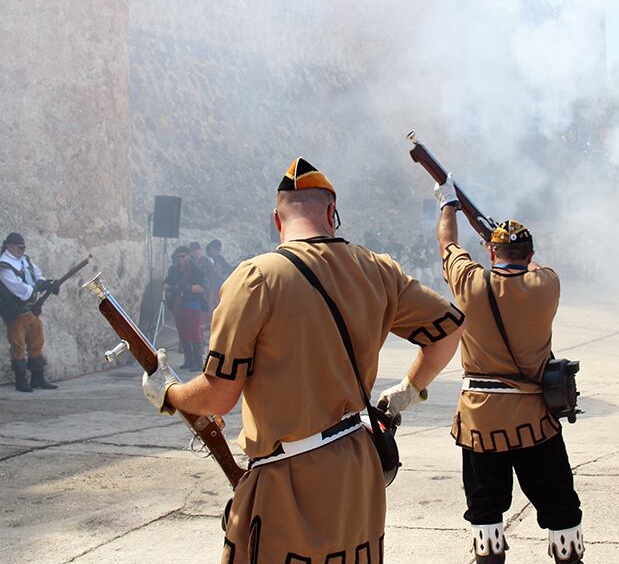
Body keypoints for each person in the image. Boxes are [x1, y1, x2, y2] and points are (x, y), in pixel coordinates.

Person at [142, 157, 464, 563]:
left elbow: (218, 396)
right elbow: (449, 330)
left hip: (289, 477)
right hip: (360, 468)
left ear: (276, 220)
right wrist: (409, 390)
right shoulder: (379, 269)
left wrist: (169, 392)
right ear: (332, 213)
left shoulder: (255, 277)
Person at [434, 174, 583, 564]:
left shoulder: (469, 281)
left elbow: (447, 243)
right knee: (561, 508)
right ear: (530, 255)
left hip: (481, 420)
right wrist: (499, 240)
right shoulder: (546, 283)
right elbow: (524, 268)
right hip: (536, 417)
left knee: (485, 513)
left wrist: (448, 202)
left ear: (490, 253)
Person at [0, 233, 60, 392]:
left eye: (23, 247)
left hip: (30, 311)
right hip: (15, 312)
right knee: (18, 345)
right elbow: (18, 288)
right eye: (20, 248)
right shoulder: (4, 265)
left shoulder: (25, 260)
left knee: (36, 342)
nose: (22, 250)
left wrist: (45, 283)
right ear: (10, 247)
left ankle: (37, 378)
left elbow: (36, 275)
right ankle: (21, 381)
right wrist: (38, 288)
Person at [162, 246, 206, 371]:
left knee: (194, 334)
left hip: (193, 304)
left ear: (188, 256)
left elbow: (202, 288)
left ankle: (198, 362)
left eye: (183, 256)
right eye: (178, 256)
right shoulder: (174, 269)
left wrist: (188, 287)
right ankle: (189, 360)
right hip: (179, 305)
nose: (180, 259)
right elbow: (165, 283)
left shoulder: (196, 270)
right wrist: (171, 287)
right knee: (183, 334)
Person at [205, 239, 233, 312]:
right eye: (217, 249)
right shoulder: (204, 260)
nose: (218, 251)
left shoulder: (220, 258)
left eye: (219, 249)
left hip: (219, 289)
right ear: (211, 248)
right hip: (208, 290)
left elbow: (229, 269)